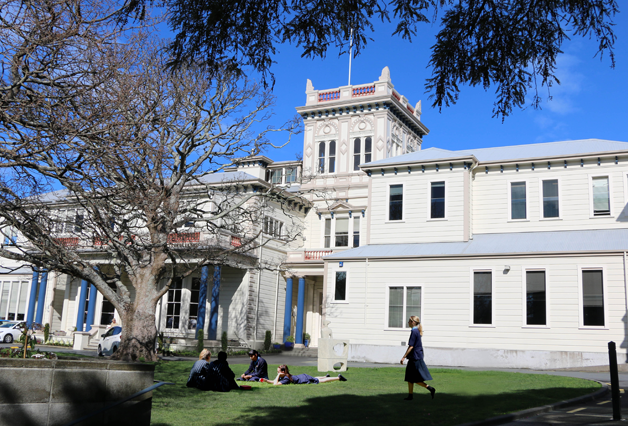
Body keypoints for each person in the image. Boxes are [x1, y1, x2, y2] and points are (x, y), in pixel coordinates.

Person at [400, 316, 435, 400]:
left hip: (415, 358)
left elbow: (411, 346)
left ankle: (430, 388)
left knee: (414, 378)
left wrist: (404, 357)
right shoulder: (416, 331)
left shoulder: (414, 332)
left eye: (409, 321)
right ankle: (410, 396)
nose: (408, 322)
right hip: (415, 357)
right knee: (409, 378)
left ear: (413, 322)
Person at [263, 365, 347, 385]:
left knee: (319, 381)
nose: (277, 373)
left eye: (278, 372)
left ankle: (338, 377)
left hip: (304, 378)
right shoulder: (285, 376)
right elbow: (274, 381)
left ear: (283, 372)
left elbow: (275, 384)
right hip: (303, 376)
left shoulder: (286, 379)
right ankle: (326, 376)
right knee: (314, 378)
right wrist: (266, 380)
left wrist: (278, 376)